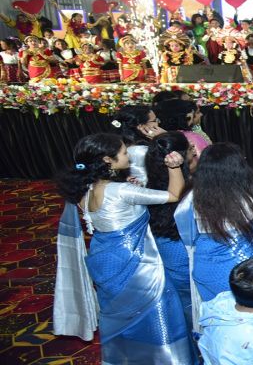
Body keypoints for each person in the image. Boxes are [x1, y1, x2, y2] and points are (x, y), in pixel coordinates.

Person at [56, 133, 192, 363]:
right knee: (156, 309)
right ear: (108, 160)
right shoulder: (120, 191)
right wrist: (175, 167)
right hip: (136, 264)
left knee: (123, 315)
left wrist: (131, 187)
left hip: (105, 260)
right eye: (123, 152)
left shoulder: (85, 190)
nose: (128, 155)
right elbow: (174, 195)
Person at [174, 143, 253, 335]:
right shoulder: (251, 192)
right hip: (249, 273)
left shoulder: (191, 199)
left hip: (209, 271)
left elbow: (187, 236)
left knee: (223, 324)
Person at [145, 131, 199, 362]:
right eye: (190, 148)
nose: (195, 151)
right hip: (182, 253)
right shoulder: (185, 190)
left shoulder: (150, 186)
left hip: (165, 249)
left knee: (181, 303)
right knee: (191, 301)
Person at [111, 107, 166, 185]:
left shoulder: (121, 145)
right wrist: (165, 138)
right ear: (141, 126)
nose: (158, 123)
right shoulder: (141, 151)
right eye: (154, 120)